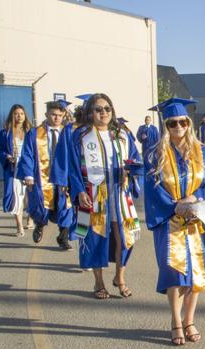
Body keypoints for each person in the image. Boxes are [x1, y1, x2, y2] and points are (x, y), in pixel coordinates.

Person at [144, 98, 205, 345]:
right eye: (172, 123)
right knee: (176, 274)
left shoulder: (204, 152)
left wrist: (196, 198)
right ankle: (176, 321)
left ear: (189, 124)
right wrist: (177, 205)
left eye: (183, 122)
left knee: (196, 275)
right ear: (165, 126)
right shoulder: (154, 155)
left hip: (196, 221)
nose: (178, 127)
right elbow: (152, 189)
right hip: (170, 223)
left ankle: (189, 320)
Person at [52, 93, 142, 299]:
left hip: (119, 194)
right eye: (98, 109)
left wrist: (133, 171)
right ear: (90, 112)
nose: (103, 113)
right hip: (91, 195)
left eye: (107, 108)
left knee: (126, 236)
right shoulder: (79, 135)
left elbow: (135, 160)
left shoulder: (121, 133)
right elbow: (72, 167)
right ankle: (99, 282)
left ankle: (120, 277)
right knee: (92, 238)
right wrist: (79, 190)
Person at [17, 99, 74, 249]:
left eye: (59, 115)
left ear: (63, 115)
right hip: (42, 176)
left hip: (63, 176)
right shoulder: (34, 133)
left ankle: (63, 238)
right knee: (42, 206)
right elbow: (27, 154)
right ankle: (40, 225)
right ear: (46, 114)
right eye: (53, 114)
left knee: (65, 206)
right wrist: (28, 175)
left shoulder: (67, 132)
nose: (56, 118)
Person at [0, 104, 33, 236]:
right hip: (14, 169)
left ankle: (30, 218)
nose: (19, 116)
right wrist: (7, 156)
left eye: (22, 113)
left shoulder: (30, 131)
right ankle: (19, 226)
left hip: (29, 168)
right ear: (12, 115)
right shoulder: (5, 133)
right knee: (17, 197)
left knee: (30, 197)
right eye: (16, 113)